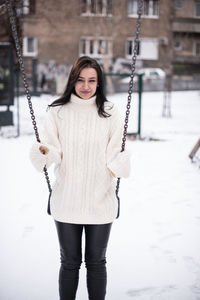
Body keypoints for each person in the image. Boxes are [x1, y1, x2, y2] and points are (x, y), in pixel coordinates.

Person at [30, 56, 130, 300]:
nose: (86, 86)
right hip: (67, 200)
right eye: (81, 80)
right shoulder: (58, 111)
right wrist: (44, 151)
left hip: (100, 199)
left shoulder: (110, 112)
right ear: (72, 80)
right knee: (69, 262)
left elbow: (115, 153)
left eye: (92, 80)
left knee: (96, 262)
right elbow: (53, 150)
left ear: (99, 83)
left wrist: (121, 162)